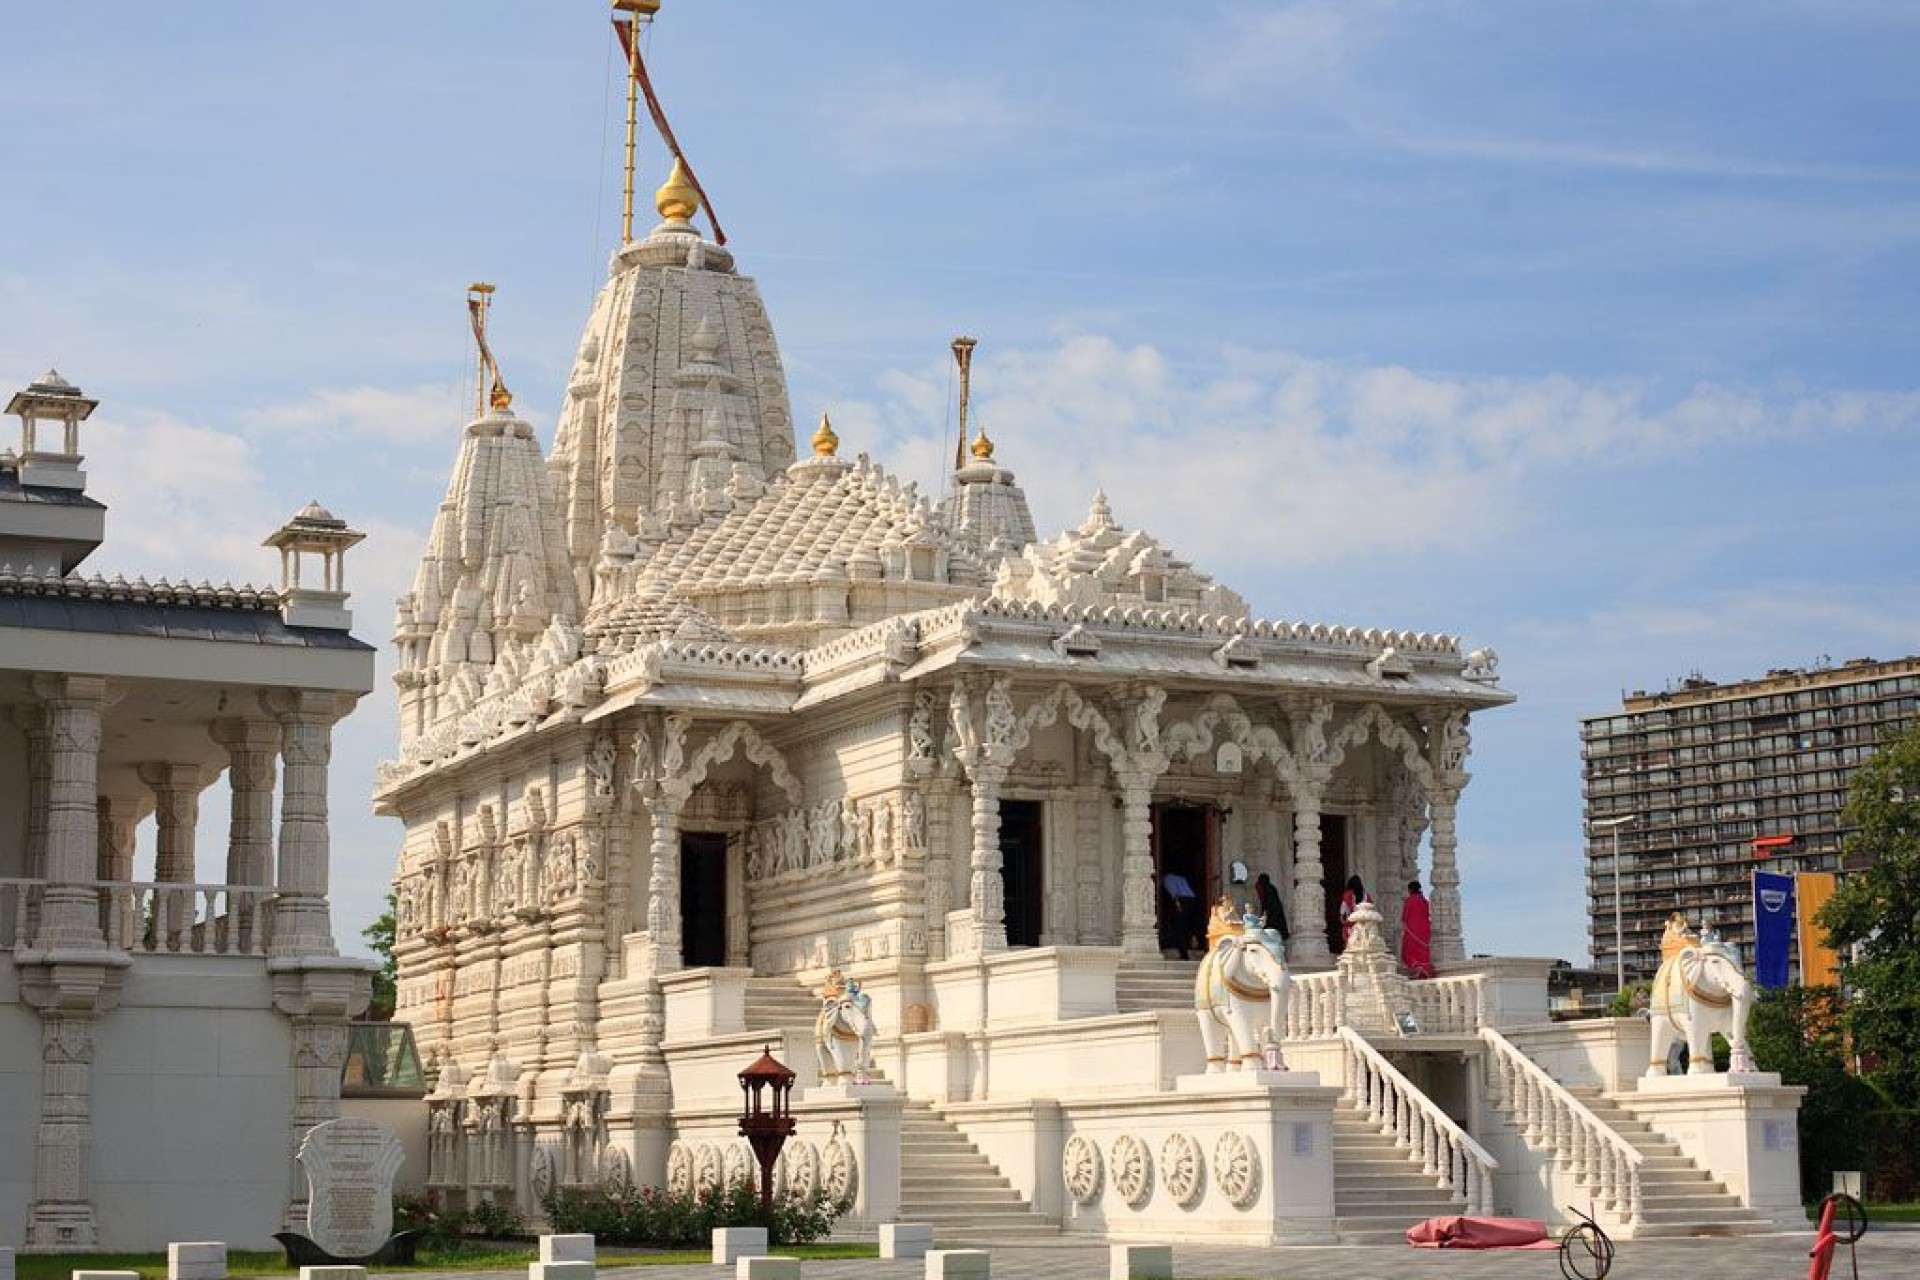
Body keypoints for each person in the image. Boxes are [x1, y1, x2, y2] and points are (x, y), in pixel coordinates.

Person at [1162, 870, 1201, 960]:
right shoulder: (1181, 878)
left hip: (1182, 901)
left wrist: (1178, 906)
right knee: (1189, 925)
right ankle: (1194, 944)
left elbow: (1173, 893)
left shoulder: (1166, 879)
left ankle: (1184, 954)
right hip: (1192, 900)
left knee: (1179, 929)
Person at [1400, 880, 1435, 978]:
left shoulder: (1410, 901)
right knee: (1423, 953)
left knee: (1409, 951)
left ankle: (1418, 971)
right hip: (1425, 930)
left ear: (1410, 890)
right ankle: (1425, 971)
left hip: (1413, 930)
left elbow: (1404, 917)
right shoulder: (1425, 902)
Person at [1254, 872, 1290, 944]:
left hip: (1272, 916)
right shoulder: (1271, 888)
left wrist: (1264, 915)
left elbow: (1267, 905)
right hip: (1274, 915)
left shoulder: (1267, 889)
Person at [1339, 874, 1369, 950]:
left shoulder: (1348, 894)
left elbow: (1343, 908)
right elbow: (1370, 907)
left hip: (1351, 922)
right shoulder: (1365, 895)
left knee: (1350, 943)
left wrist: (1342, 919)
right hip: (1363, 922)